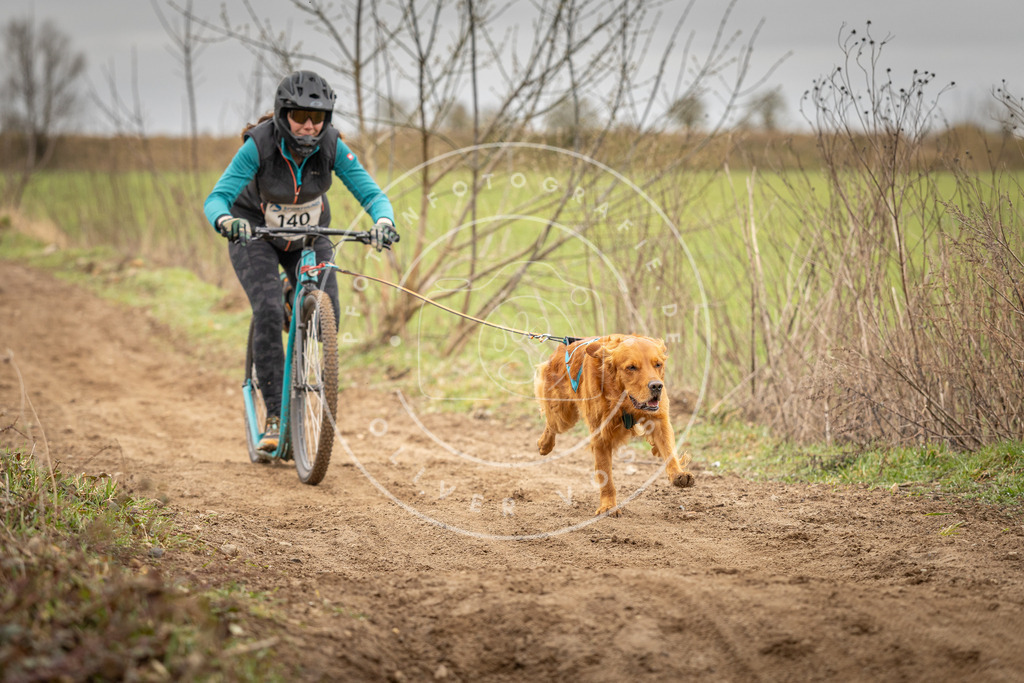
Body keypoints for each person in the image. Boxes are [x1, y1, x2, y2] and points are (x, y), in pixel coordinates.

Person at [204, 70, 398, 455]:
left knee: (330, 317)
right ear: (282, 114)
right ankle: (276, 417)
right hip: (254, 234)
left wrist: (383, 221)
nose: (309, 126)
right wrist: (227, 221)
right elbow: (217, 198)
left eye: (318, 117)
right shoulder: (257, 146)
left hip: (310, 235)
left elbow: (372, 194)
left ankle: (301, 303)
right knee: (268, 309)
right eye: (300, 116)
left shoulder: (332, 146)